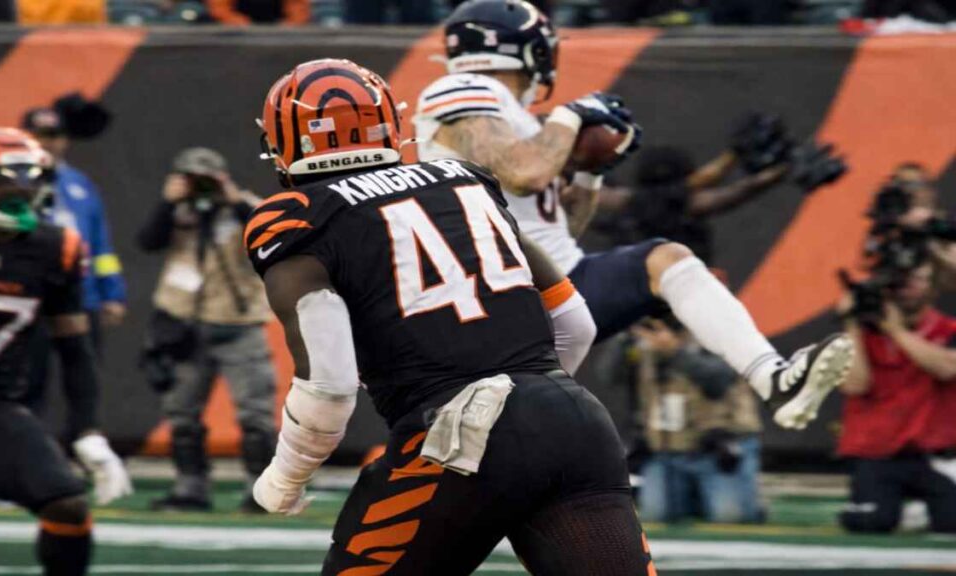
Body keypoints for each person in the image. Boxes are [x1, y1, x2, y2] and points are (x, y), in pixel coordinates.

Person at [246, 58, 655, 575]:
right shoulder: (462, 180)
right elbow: (576, 322)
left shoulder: (295, 217)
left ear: (285, 141)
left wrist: (286, 475)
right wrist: (533, 410)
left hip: (458, 436)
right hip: (576, 420)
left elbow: (329, 387)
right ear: (390, 125)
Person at [414, 0, 854, 431]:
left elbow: (560, 229)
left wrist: (590, 173)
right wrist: (568, 117)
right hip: (495, 293)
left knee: (668, 261)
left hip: (549, 282)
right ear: (528, 49)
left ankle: (774, 378)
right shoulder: (461, 90)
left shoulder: (518, 120)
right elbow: (525, 174)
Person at [0, 127, 106, 575]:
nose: (21, 189)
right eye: (6, 179)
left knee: (67, 504)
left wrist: (86, 429)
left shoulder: (56, 249)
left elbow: (74, 348)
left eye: (31, 177)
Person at [137, 147, 277, 512]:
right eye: (190, 178)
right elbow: (147, 242)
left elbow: (276, 240)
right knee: (182, 413)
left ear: (223, 177)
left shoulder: (247, 207)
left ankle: (262, 491)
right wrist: (168, 204)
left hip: (239, 325)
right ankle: (191, 488)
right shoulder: (176, 211)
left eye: (206, 179)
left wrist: (236, 203)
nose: (198, 186)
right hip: (184, 326)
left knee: (255, 415)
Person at [18, 107, 128, 445]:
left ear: (65, 141)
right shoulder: (12, 182)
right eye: (38, 135)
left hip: (82, 299)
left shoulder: (80, 185)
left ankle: (81, 451)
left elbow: (100, 246)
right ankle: (20, 451)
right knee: (26, 381)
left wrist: (112, 293)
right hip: (31, 298)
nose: (46, 143)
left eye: (53, 136)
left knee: (83, 381)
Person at [837, 261, 956, 534]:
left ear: (933, 287)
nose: (908, 289)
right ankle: (900, 508)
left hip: (935, 456)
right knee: (871, 522)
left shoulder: (948, 329)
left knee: (952, 522)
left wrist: (896, 330)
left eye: (918, 280)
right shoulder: (862, 336)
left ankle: (922, 509)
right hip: (878, 453)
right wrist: (852, 324)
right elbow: (854, 385)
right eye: (901, 282)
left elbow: (947, 368)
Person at [630, 316, 764, 524]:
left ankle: (745, 501)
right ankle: (697, 499)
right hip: (667, 448)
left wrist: (674, 352)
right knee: (655, 516)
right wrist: (622, 336)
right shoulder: (644, 341)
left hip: (718, 447)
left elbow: (717, 380)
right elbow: (608, 375)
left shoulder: (721, 331)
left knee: (730, 518)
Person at [595, 145, 789, 263]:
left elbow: (734, 189)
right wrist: (780, 170)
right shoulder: (683, 203)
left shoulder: (628, 202)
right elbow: (739, 190)